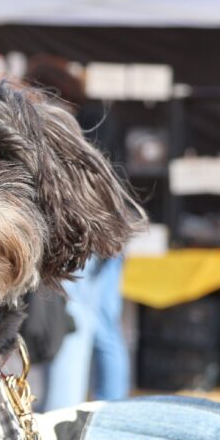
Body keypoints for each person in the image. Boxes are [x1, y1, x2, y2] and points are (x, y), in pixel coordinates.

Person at [24, 58, 131, 411]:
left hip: (86, 232)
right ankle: (110, 405)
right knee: (101, 323)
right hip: (107, 228)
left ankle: (74, 409)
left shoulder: (74, 121)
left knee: (80, 320)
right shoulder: (98, 116)